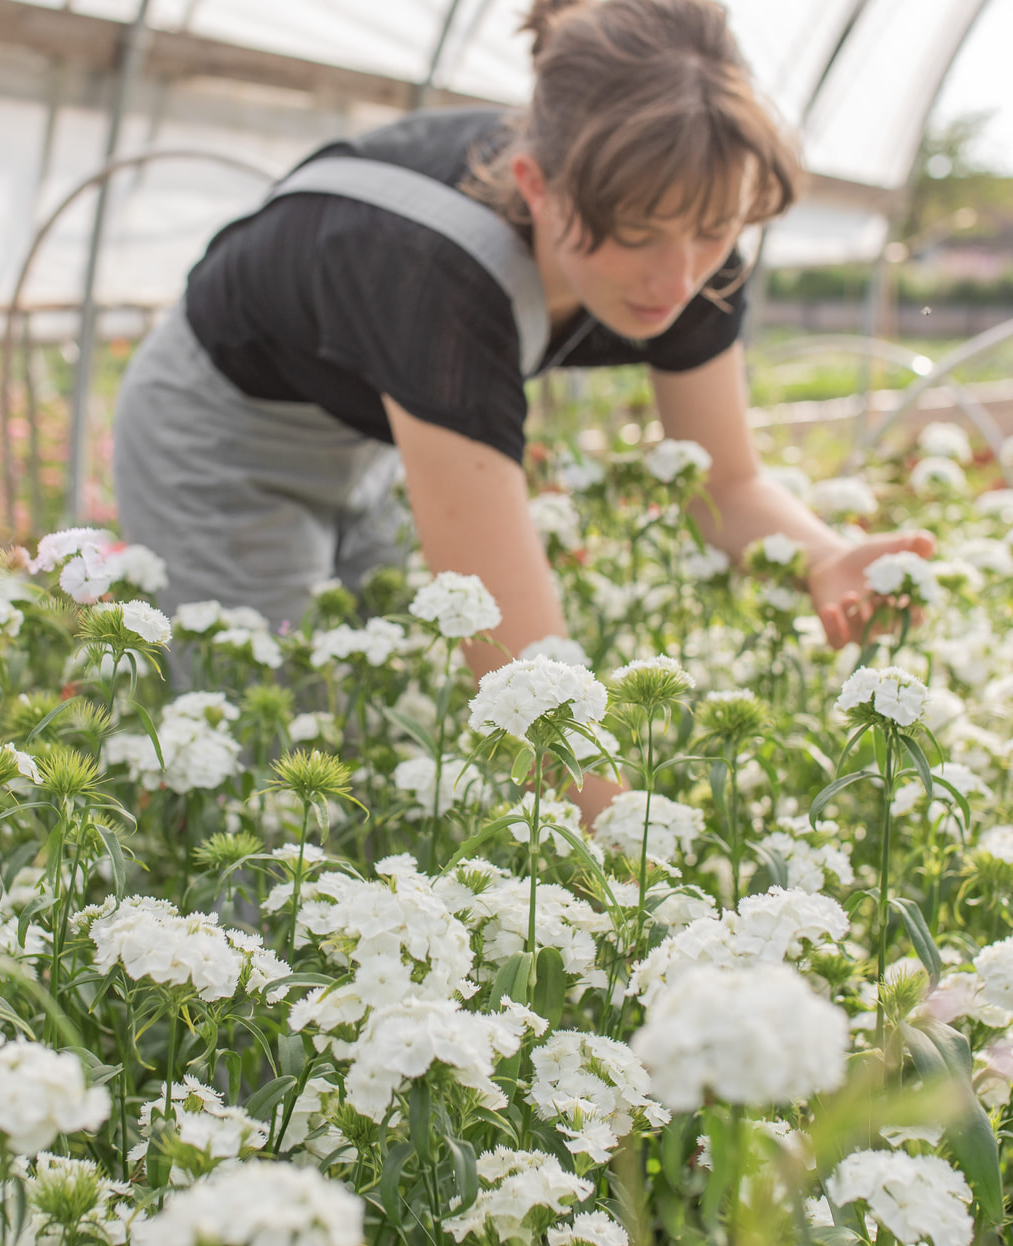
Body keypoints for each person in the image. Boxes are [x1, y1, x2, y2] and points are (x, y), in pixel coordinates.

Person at [113, 0, 933, 815]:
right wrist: (622, 863)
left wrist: (822, 556)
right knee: (280, 748)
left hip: (371, 434)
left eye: (713, 228)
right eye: (638, 232)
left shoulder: (688, 245)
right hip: (219, 434)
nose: (677, 281)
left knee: (387, 702)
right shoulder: (435, 274)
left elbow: (727, 486)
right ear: (535, 187)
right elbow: (514, 660)